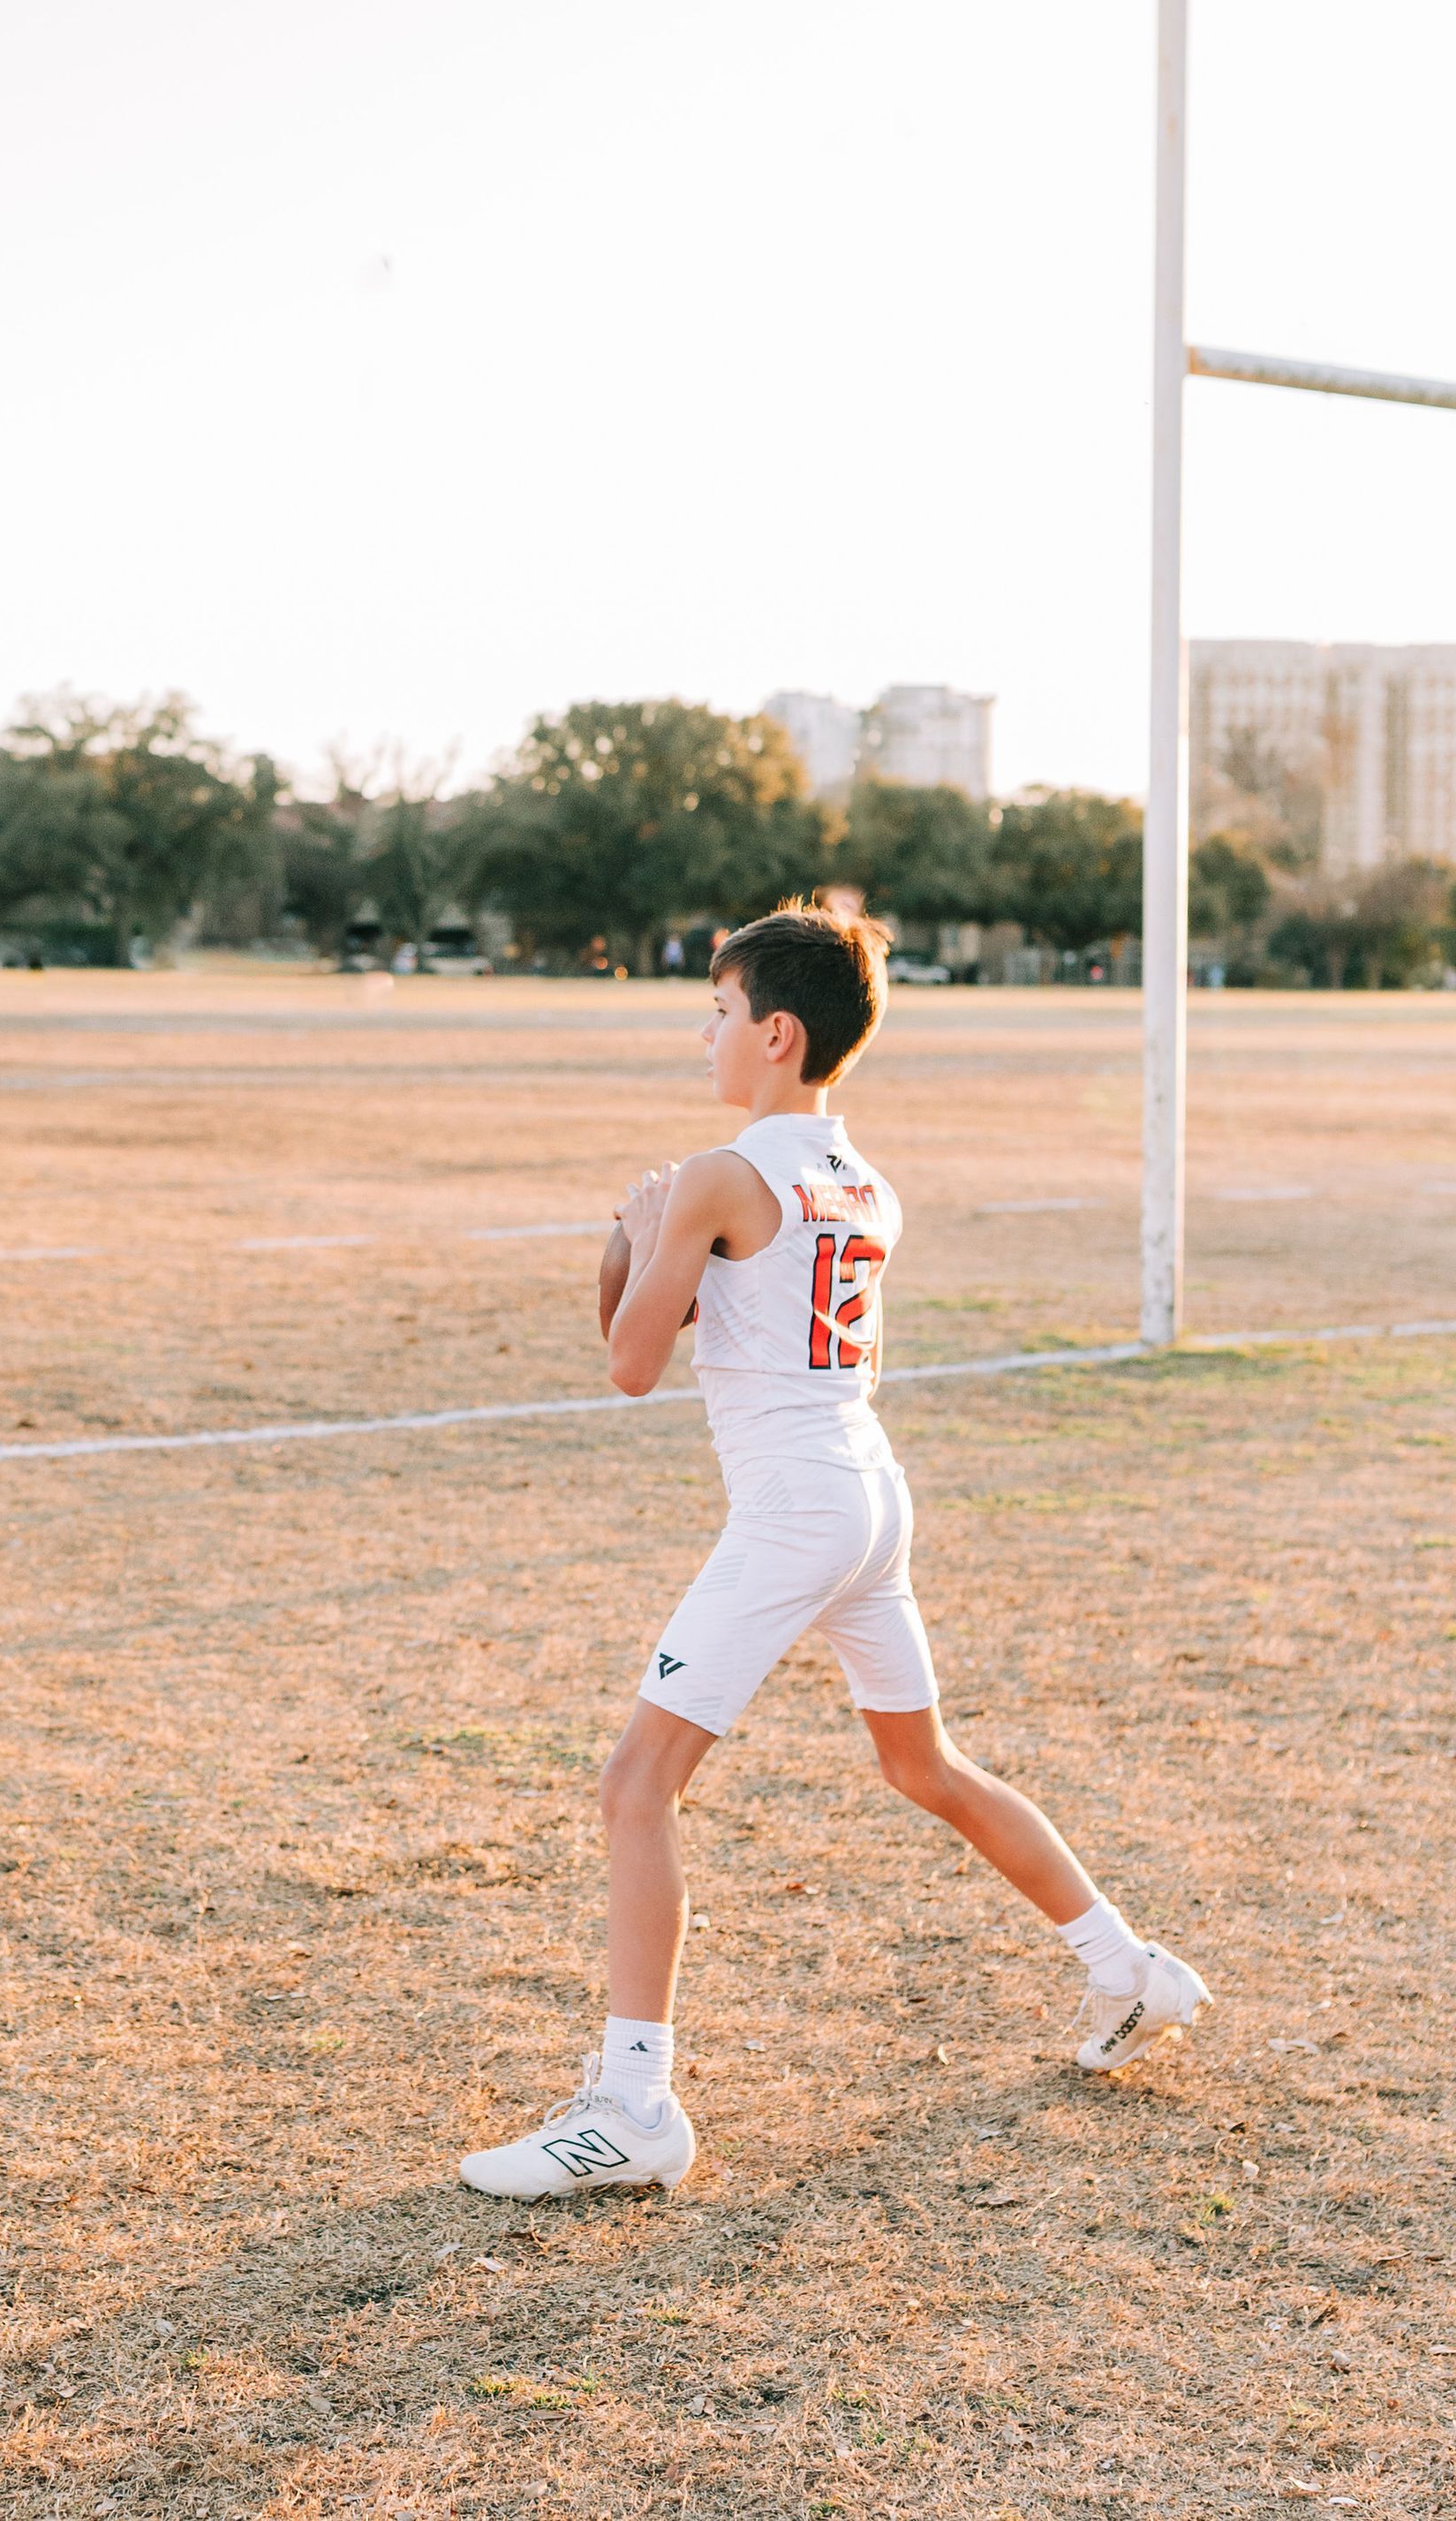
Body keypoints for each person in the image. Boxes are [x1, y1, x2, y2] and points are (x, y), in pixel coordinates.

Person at [459, 903, 1211, 2200]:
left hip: (801, 1504)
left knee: (636, 1781)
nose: (706, 1032)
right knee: (923, 1761)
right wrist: (643, 1249)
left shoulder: (717, 1174)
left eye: (718, 1009)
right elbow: (696, 1317)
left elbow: (634, 1363)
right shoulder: (863, 1180)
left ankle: (633, 2105)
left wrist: (636, 1233)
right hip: (870, 1489)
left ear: (778, 1032)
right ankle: (1128, 1966)